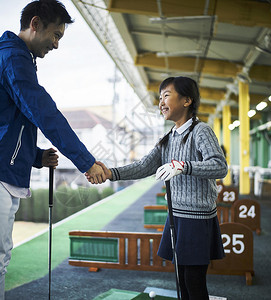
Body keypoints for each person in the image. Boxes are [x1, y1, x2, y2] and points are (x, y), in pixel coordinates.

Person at [0, 1, 105, 299]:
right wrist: (86, 162)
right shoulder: (14, 59)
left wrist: (36, 157)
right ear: (35, 24)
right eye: (55, 35)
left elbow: (6, 124)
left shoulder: (15, 58)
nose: (56, 45)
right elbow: (43, 112)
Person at [88, 76, 228, 299]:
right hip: (177, 217)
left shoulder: (201, 131)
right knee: (181, 278)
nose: (161, 102)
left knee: (194, 280)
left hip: (198, 218)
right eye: (160, 97)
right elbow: (144, 166)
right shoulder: (168, 137)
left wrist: (183, 166)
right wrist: (110, 173)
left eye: (166, 95)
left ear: (187, 100)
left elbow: (219, 166)